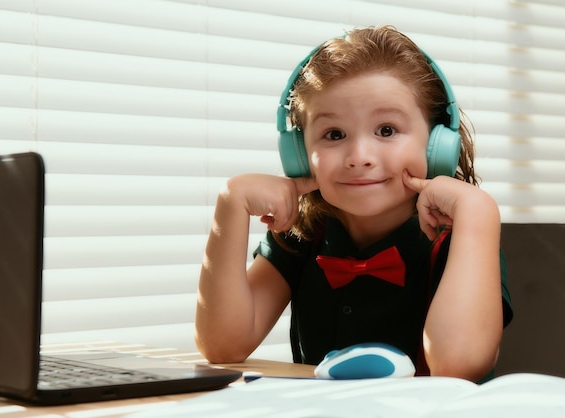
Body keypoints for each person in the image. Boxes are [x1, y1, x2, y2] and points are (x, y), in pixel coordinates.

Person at [195, 25, 513, 383]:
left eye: (387, 130)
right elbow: (223, 347)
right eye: (334, 134)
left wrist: (479, 210)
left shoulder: (462, 238)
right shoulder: (302, 232)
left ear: (438, 144)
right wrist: (230, 205)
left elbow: (458, 364)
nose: (359, 157)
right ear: (299, 154)